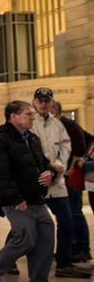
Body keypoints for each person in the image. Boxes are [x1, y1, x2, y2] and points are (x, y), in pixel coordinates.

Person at [0, 101, 64, 282]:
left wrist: (50, 174)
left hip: (36, 198)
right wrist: (15, 198)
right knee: (26, 238)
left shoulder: (32, 138)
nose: (32, 117)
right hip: (16, 200)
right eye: (28, 114)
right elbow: (0, 174)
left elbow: (44, 164)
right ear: (13, 116)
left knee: (45, 237)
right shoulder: (0, 140)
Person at [31, 88, 88, 278]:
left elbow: (66, 145)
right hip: (36, 181)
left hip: (57, 181)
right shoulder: (29, 123)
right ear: (34, 102)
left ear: (52, 102)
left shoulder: (58, 124)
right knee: (27, 225)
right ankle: (8, 260)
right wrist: (44, 168)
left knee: (67, 220)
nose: (43, 103)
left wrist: (59, 166)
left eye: (47, 100)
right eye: (40, 100)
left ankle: (64, 263)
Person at [52, 100, 92, 264]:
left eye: (49, 106)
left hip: (71, 176)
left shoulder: (69, 125)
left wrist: (69, 172)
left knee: (75, 212)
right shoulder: (55, 125)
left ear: (55, 109)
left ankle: (83, 249)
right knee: (68, 214)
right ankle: (72, 248)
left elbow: (79, 150)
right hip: (63, 176)